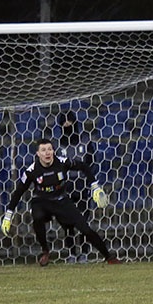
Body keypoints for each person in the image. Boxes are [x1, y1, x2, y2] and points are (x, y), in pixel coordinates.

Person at [0, 137, 121, 266]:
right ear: (38, 154)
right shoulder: (32, 170)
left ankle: (109, 257)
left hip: (61, 200)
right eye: (43, 150)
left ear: (53, 151)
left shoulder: (62, 162)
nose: (47, 153)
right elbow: (19, 191)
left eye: (49, 149)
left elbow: (84, 166)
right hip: (42, 201)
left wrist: (95, 186)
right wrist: (8, 215)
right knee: (38, 216)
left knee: (85, 229)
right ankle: (45, 251)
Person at [57, 110, 94, 263]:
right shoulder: (57, 145)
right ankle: (72, 253)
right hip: (66, 186)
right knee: (67, 222)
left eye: (69, 123)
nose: (67, 126)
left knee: (83, 221)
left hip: (83, 186)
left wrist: (91, 183)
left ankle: (84, 253)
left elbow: (91, 163)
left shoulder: (86, 142)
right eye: (64, 124)